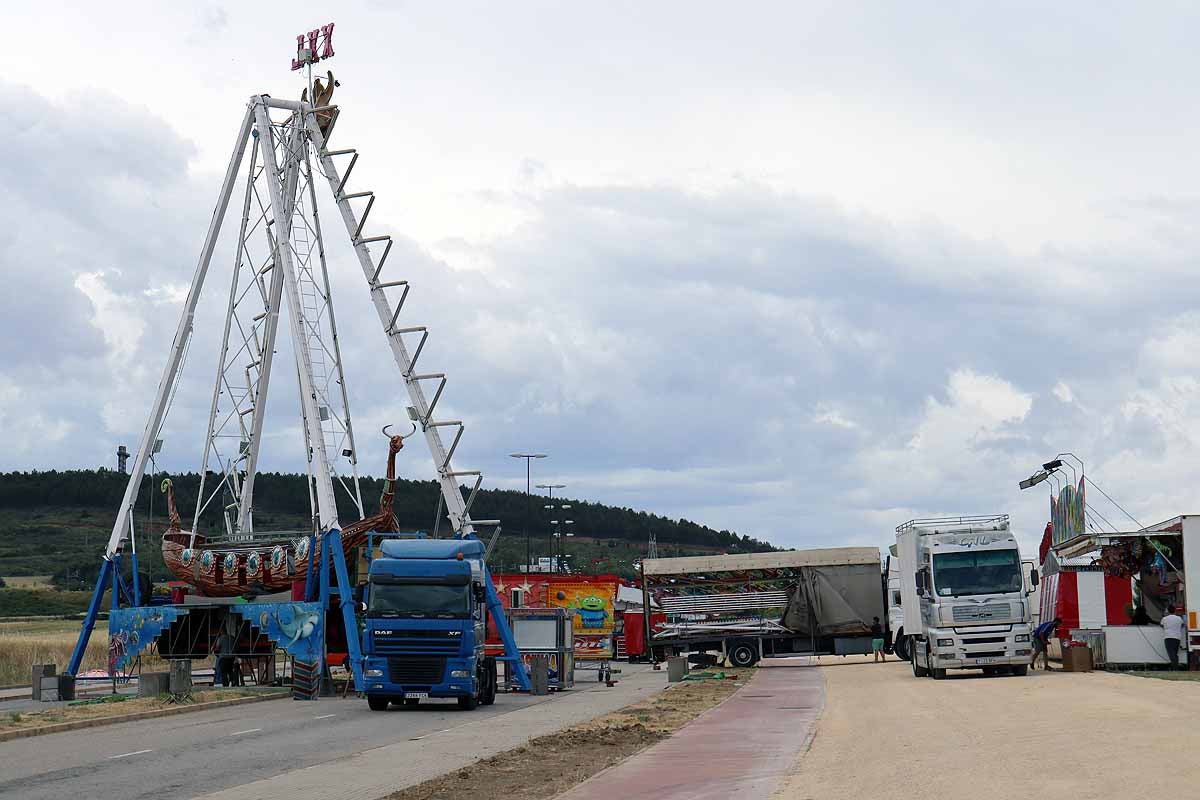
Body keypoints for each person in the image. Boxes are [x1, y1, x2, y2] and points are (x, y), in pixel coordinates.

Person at [1161, 605, 1185, 670]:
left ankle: (1175, 667)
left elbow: (1161, 625)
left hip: (1168, 637)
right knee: (1175, 653)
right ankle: (1176, 666)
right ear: (1175, 610)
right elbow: (1182, 625)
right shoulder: (1179, 618)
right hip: (1177, 637)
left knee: (1171, 653)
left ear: (1168, 611)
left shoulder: (1164, 618)